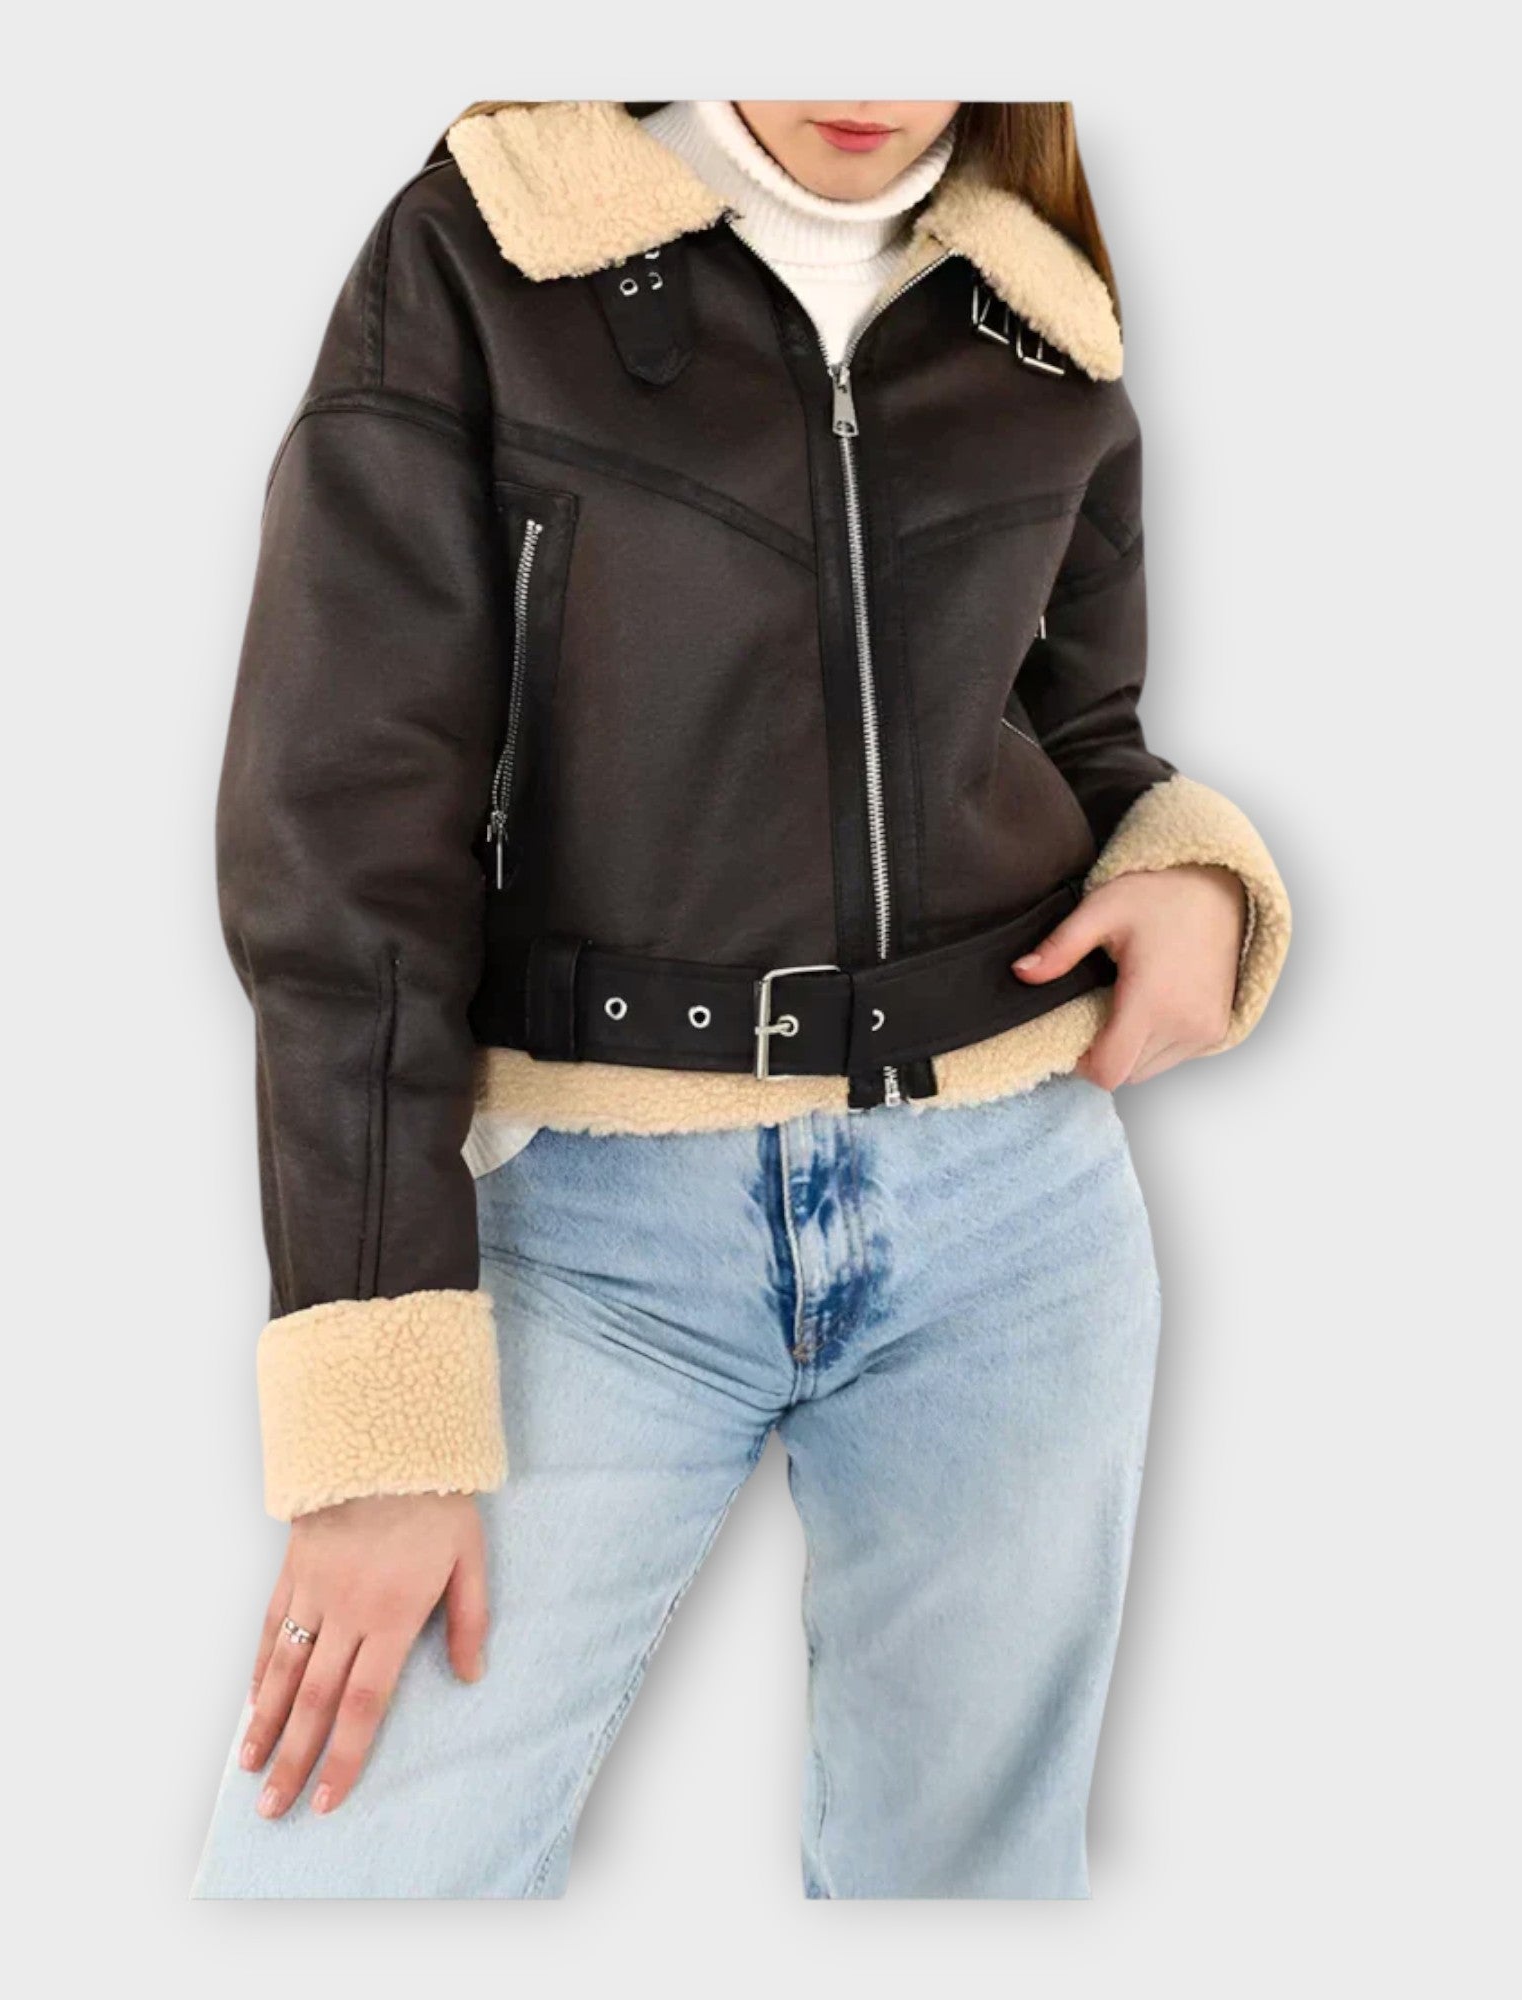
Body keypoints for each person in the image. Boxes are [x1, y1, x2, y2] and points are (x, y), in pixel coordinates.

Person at [192, 98, 1292, 1900]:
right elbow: (340, 863)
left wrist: (1188, 873)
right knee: (357, 1885)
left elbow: (1080, 731)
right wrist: (380, 1416)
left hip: (1013, 1225)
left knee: (967, 1886)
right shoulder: (488, 252)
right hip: (592, 1230)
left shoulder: (1034, 306)